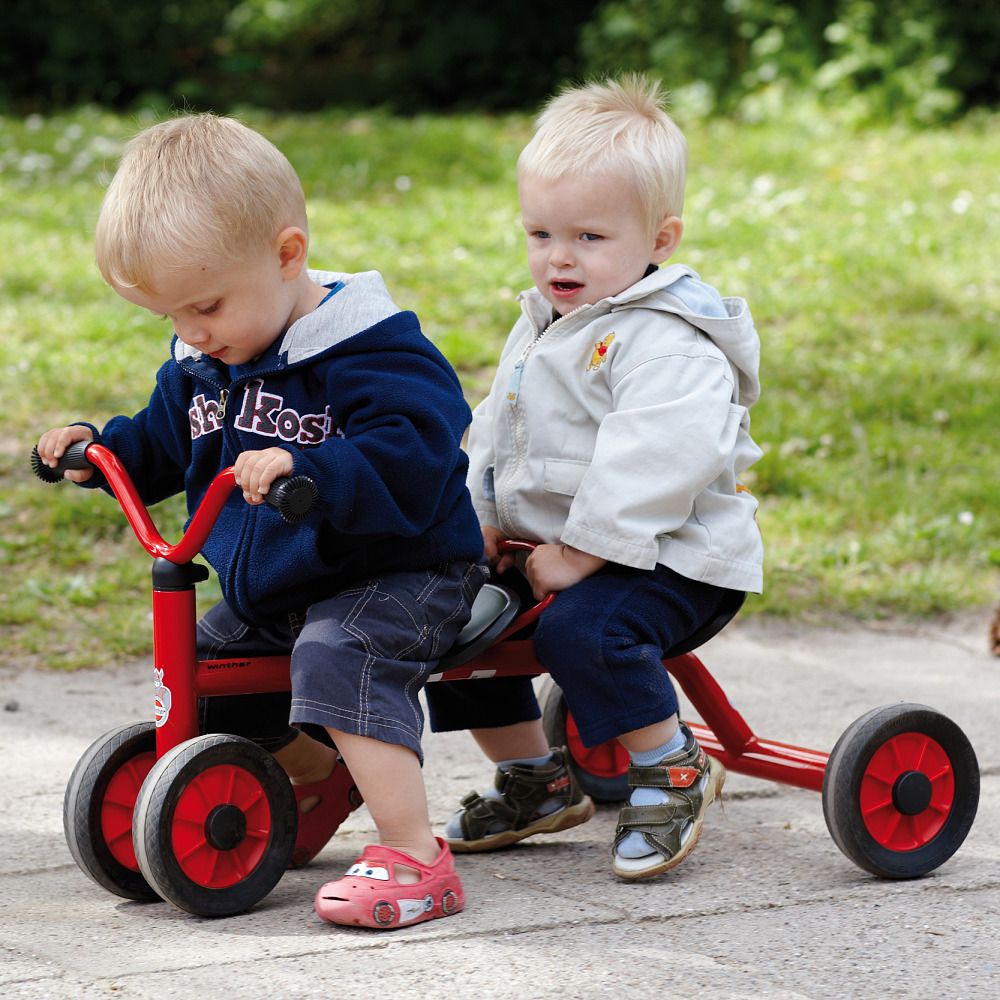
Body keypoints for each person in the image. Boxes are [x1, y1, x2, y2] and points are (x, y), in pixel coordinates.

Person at [36, 113, 488, 929]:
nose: (190, 332)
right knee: (205, 661)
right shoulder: (209, 359)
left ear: (287, 256)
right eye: (169, 316)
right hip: (285, 580)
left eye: (204, 305)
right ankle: (290, 780)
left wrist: (313, 469)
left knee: (338, 651)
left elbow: (419, 450)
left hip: (400, 570)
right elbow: (164, 442)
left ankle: (418, 855)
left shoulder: (370, 348)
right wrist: (100, 450)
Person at [425, 74, 764, 880]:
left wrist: (581, 553)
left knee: (582, 632)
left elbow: (656, 459)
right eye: (540, 233)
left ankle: (675, 767)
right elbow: (495, 427)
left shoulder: (669, 343)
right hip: (558, 549)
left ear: (661, 238)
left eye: (588, 237)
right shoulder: (549, 322)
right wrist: (476, 512)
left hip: (676, 560)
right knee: (446, 619)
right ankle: (536, 780)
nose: (559, 257)